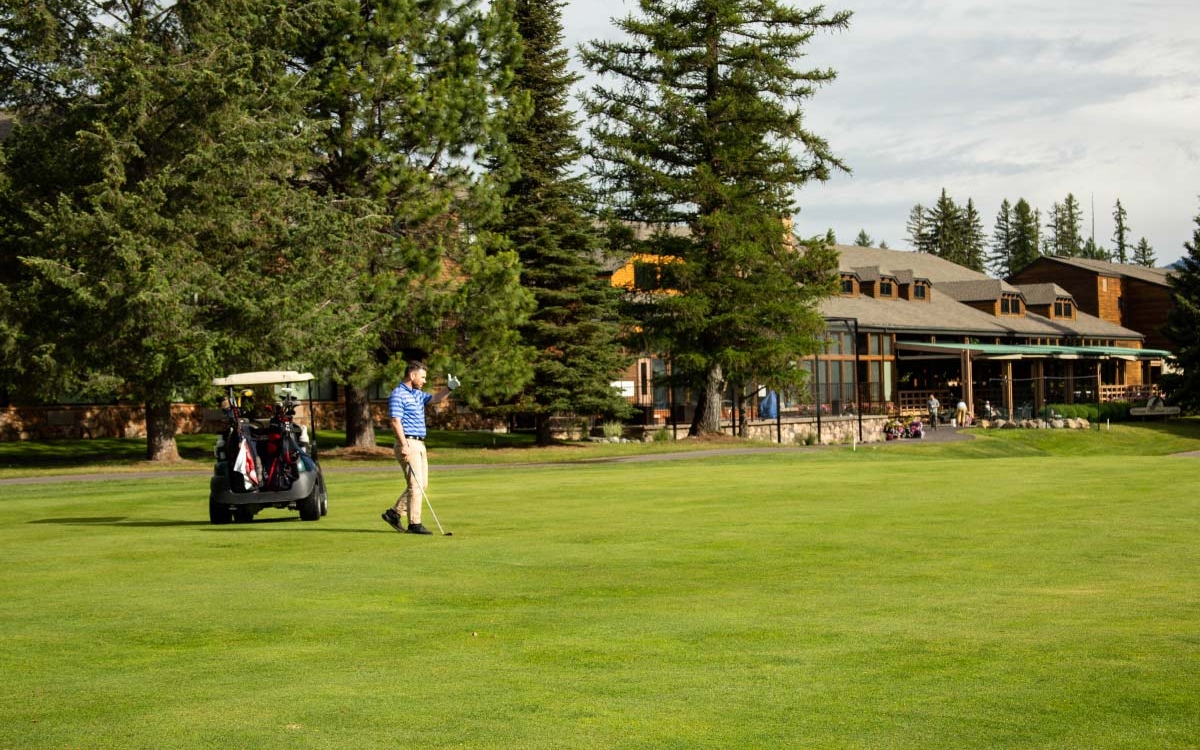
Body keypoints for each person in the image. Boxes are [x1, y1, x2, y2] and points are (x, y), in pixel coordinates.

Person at [381, 361, 459, 535]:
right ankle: (414, 524)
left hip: (420, 443)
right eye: (422, 377)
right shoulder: (398, 394)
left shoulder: (417, 394)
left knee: (422, 484)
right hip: (408, 443)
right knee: (415, 485)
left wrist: (449, 389)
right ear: (412, 375)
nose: (424, 381)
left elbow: (435, 399)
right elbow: (395, 421)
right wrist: (404, 445)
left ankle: (393, 513)